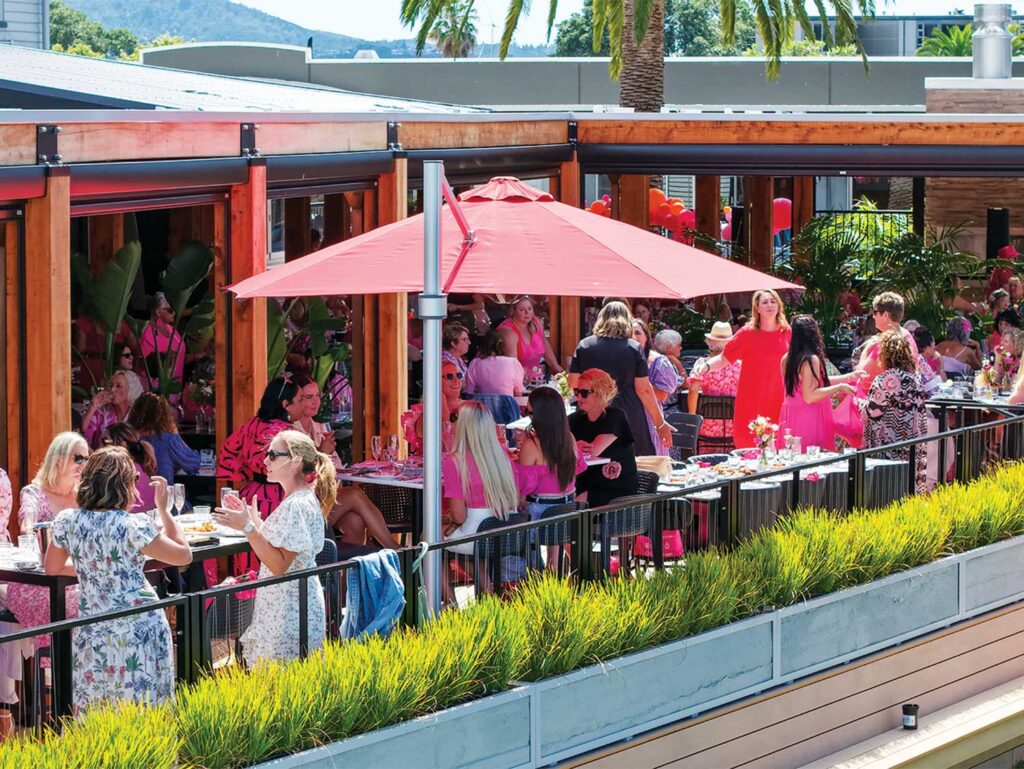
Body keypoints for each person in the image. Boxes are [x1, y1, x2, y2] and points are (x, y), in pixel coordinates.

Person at [44, 449, 191, 712]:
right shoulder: (132, 525)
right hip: (138, 626)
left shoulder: (67, 521)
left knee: (97, 707)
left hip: (94, 627)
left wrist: (97, 568)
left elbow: (52, 567)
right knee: (143, 707)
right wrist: (165, 511)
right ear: (124, 485)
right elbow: (183, 556)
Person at [214, 430, 334, 667]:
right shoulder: (301, 499)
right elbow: (284, 548)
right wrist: (256, 523)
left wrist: (248, 527)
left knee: (282, 686)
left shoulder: (295, 505)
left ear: (296, 461)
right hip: (291, 603)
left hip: (289, 609)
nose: (265, 461)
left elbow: (279, 565)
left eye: (273, 455)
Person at [289, 373, 395, 548]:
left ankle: (344, 575)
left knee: (355, 522)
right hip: (304, 504)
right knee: (354, 494)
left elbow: (336, 469)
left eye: (318, 396)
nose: (316, 402)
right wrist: (323, 453)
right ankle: (396, 551)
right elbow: (299, 477)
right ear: (295, 400)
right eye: (309, 397)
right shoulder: (290, 431)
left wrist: (327, 454)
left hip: (324, 498)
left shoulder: (320, 428)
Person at [8, 433, 86, 650]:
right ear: (58, 459)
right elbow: (27, 525)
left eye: (86, 459)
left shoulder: (84, 496)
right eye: (78, 458)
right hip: (38, 582)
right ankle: (63, 673)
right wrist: (32, 528)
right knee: (85, 607)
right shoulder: (34, 492)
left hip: (75, 577)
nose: (83, 464)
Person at [569, 301, 673, 456]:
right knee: (631, 463)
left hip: (593, 410)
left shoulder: (585, 346)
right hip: (629, 411)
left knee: (590, 461)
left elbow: (573, 383)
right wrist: (660, 423)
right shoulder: (633, 348)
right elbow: (644, 390)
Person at [691, 290, 792, 449]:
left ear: (779, 306)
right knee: (750, 444)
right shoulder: (747, 333)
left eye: (773, 301)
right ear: (757, 308)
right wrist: (706, 366)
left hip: (779, 395)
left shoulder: (787, 332)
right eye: (765, 302)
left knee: (779, 445)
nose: (770, 305)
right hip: (753, 395)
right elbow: (725, 358)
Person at [442, 401, 519, 556]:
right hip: (505, 532)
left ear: (462, 425)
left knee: (428, 538)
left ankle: (438, 581)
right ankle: (483, 580)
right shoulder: (502, 457)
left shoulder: (454, 461)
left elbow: (459, 516)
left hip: (474, 535)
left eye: (454, 418)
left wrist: (446, 517)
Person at [218, 378, 301, 518]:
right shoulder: (287, 433)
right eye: (299, 401)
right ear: (285, 404)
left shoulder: (251, 424)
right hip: (280, 496)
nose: (302, 406)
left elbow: (228, 450)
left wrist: (246, 473)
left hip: (252, 492)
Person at [777, 316, 861, 451]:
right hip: (810, 417)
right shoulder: (810, 359)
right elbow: (810, 396)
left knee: (791, 462)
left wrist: (849, 377)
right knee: (813, 463)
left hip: (790, 415)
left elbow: (815, 383)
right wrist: (839, 388)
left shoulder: (786, 359)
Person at [862, 330, 928, 493]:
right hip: (911, 444)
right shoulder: (915, 378)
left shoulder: (886, 380)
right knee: (907, 489)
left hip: (888, 446)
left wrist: (859, 404)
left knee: (886, 491)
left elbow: (873, 412)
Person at [569, 369, 639, 508]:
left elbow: (592, 451)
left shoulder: (615, 417)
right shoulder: (575, 419)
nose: (579, 397)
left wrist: (571, 446)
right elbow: (557, 445)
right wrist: (573, 446)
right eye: (577, 391)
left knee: (572, 505)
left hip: (614, 490)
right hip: (585, 484)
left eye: (584, 393)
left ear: (601, 393)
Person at [516, 387, 587, 520]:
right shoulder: (569, 438)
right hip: (568, 508)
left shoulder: (532, 444)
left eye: (529, 412)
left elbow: (523, 486)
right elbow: (577, 468)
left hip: (540, 511)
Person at [687, 321, 742, 450]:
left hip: (706, 426)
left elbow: (694, 390)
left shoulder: (702, 364)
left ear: (710, 342)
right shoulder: (741, 365)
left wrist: (692, 417)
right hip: (734, 426)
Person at [632, 319, 680, 457]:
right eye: (629, 333)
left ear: (647, 337)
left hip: (650, 419)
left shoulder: (658, 361)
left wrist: (639, 382)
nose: (633, 337)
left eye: (637, 333)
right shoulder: (621, 361)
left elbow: (662, 395)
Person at [129, 392, 200, 483]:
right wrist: (176, 434)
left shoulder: (127, 438)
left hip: (132, 495)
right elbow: (193, 465)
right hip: (160, 494)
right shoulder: (166, 440)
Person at [856, 292, 919, 388]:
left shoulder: (884, 343)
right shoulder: (907, 336)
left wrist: (866, 350)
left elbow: (862, 376)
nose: (873, 316)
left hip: (879, 398)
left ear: (885, 315)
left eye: (875, 312)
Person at [407, 361, 468, 455]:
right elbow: (444, 447)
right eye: (450, 377)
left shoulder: (471, 408)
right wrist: (443, 409)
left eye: (459, 376)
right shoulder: (425, 411)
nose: (456, 381)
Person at [499, 296, 562, 380]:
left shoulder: (536, 322)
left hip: (537, 377)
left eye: (529, 309)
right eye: (521, 310)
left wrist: (556, 367)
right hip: (516, 379)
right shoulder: (508, 331)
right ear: (513, 311)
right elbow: (511, 366)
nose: (527, 313)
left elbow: (544, 343)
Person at [81, 370, 145, 449]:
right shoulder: (103, 412)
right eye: (111, 385)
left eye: (118, 386)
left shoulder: (137, 415)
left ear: (131, 390)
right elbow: (82, 430)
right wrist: (93, 407)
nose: (112, 389)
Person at [102, 423, 158, 511]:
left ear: (122, 444)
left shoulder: (120, 470)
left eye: (105, 440)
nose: (101, 445)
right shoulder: (141, 466)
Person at [139, 292, 186, 393]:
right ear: (158, 312)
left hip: (177, 388)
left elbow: (180, 356)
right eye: (170, 310)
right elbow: (145, 367)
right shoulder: (148, 334)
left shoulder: (172, 330)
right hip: (158, 390)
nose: (174, 312)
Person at [465, 328, 525, 397]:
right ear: (502, 345)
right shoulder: (513, 363)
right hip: (507, 406)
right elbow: (519, 393)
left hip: (482, 406)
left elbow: (469, 392)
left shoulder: (475, 363)